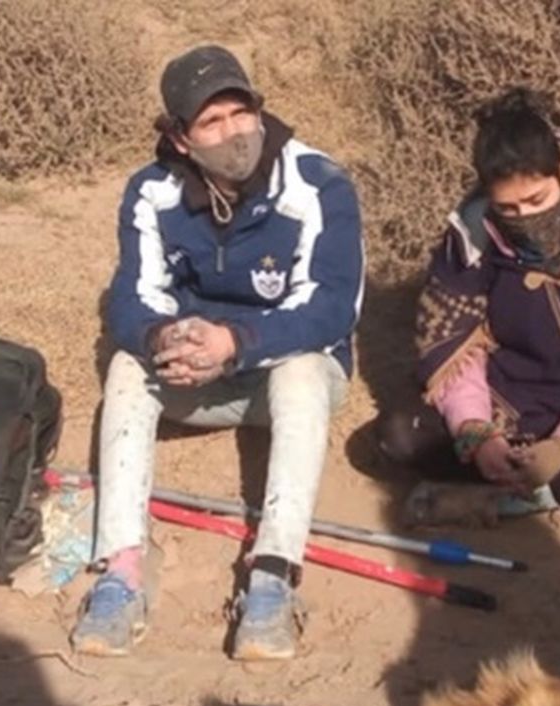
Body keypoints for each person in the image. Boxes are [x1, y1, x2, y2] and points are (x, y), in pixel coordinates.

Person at [72, 45, 364, 661]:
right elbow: (133, 296)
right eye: (211, 122)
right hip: (196, 373)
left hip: (284, 372)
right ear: (181, 139)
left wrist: (236, 343)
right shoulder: (150, 193)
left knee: (305, 373)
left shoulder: (319, 182)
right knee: (126, 366)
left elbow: (331, 309)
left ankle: (273, 578)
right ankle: (121, 573)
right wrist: (161, 338)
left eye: (241, 112)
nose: (233, 132)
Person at [377, 88, 560, 534]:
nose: (524, 217)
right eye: (508, 208)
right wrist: (476, 435)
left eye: (537, 201)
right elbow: (451, 350)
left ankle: (520, 500)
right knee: (400, 435)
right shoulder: (471, 238)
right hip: (509, 398)